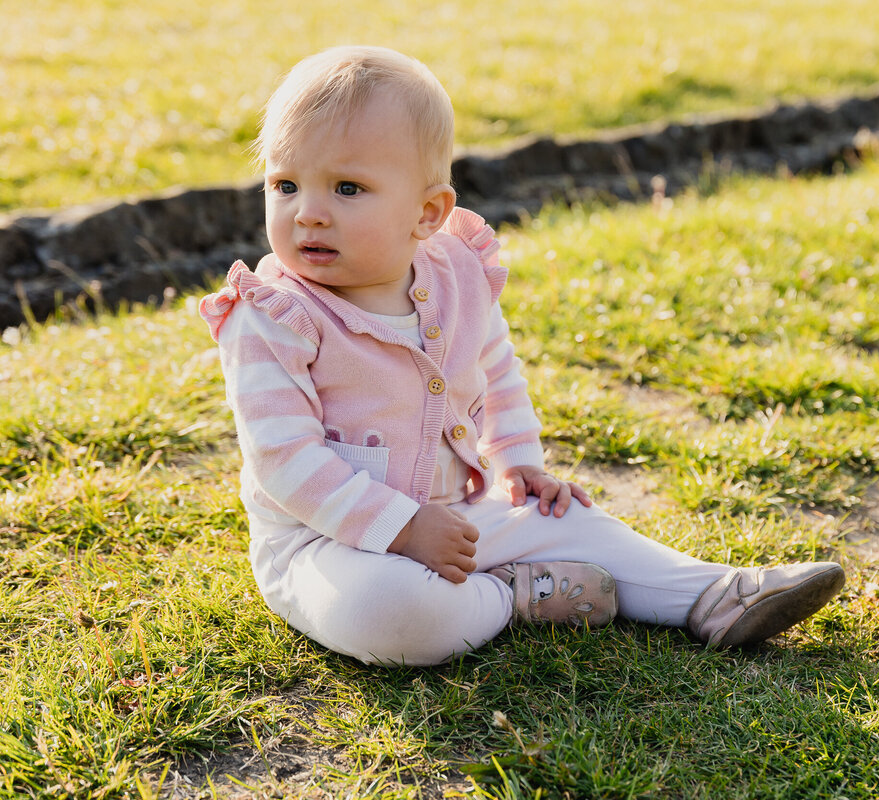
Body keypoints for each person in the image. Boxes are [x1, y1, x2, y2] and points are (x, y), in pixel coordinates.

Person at [199, 45, 844, 666]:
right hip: (326, 545)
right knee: (386, 614)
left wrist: (518, 463)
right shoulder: (271, 315)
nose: (307, 214)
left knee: (574, 522)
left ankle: (713, 593)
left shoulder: (455, 274)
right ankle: (513, 595)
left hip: (457, 515)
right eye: (284, 184)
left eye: (346, 188)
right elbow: (285, 460)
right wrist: (401, 529)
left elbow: (495, 372)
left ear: (427, 212)